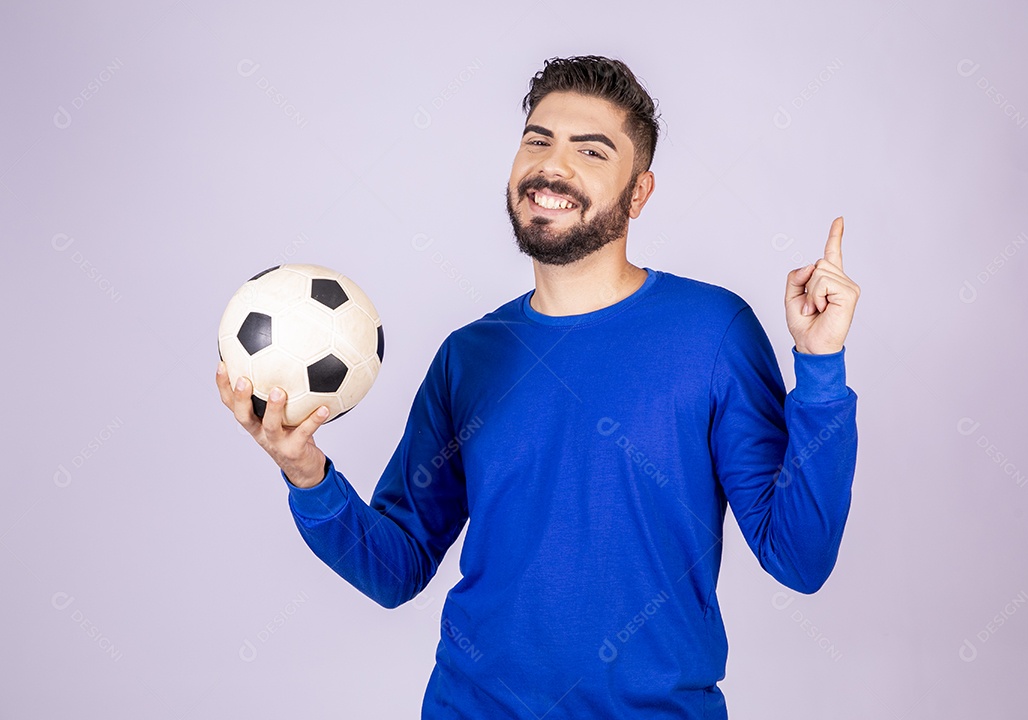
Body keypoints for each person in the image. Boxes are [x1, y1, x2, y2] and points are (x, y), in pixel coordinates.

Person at [216, 55, 860, 720]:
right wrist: (305, 473)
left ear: (638, 193)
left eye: (591, 151)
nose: (554, 166)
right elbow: (396, 568)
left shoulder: (713, 332)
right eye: (538, 140)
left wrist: (819, 367)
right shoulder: (469, 356)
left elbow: (799, 558)